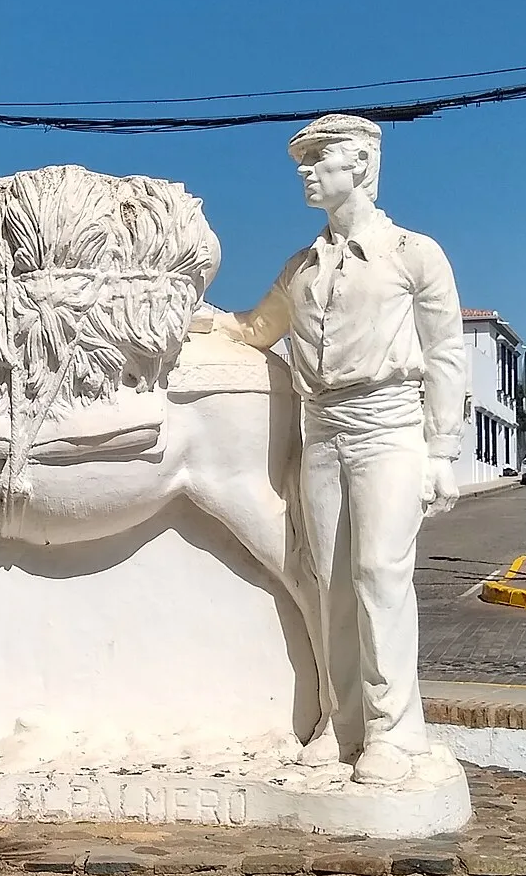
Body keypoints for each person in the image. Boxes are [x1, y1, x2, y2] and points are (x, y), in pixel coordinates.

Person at [196, 115, 467, 783]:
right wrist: (199, 320)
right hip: (322, 430)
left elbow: (446, 353)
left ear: (363, 165)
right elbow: (256, 328)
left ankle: (395, 732)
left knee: (379, 573)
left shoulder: (413, 254)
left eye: (320, 158)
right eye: (303, 159)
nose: (305, 170)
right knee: (329, 582)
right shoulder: (302, 269)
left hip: (388, 424)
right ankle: (341, 725)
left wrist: (442, 451)